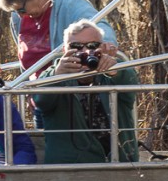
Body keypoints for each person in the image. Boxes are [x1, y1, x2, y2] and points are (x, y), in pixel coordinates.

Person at [34, 20, 139, 163]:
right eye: (75, 46)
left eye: (92, 46)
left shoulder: (115, 70)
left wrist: (115, 71)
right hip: (69, 171)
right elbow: (41, 100)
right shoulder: (52, 75)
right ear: (64, 51)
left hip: (119, 165)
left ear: (102, 47)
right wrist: (57, 76)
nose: (84, 52)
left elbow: (131, 83)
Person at [0, 0, 117, 76]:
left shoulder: (69, 4)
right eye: (15, 11)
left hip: (66, 91)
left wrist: (106, 45)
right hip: (35, 95)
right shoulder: (17, 17)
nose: (20, 16)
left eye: (22, 10)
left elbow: (98, 24)